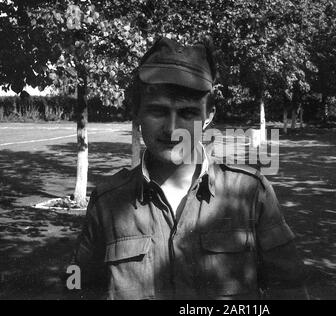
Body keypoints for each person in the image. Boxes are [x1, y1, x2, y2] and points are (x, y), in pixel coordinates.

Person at [72, 36, 310, 300]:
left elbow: (290, 289)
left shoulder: (251, 194)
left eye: (187, 113)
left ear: (208, 117)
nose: (172, 129)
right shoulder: (108, 202)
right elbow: (79, 290)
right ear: (136, 113)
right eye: (158, 111)